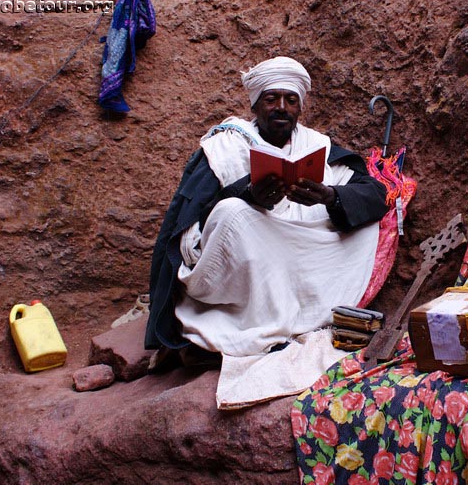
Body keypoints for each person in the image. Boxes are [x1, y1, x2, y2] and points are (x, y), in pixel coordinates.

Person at [144, 57, 389, 362]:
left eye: (290, 100)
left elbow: (376, 195)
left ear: (300, 108)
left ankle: (288, 316)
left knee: (360, 224)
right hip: (243, 268)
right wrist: (249, 195)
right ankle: (248, 326)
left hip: (302, 258)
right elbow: (190, 220)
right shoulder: (225, 149)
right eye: (271, 99)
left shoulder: (318, 147)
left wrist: (329, 196)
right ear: (255, 106)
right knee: (232, 211)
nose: (282, 108)